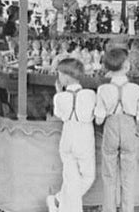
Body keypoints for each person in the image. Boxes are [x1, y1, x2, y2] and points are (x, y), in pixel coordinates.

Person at [94, 48, 139, 212]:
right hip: (128, 127)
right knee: (129, 175)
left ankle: (109, 209)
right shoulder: (136, 89)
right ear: (126, 66)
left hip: (110, 127)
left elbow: (99, 119)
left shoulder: (103, 90)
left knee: (109, 174)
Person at [46, 58, 97, 212]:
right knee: (88, 177)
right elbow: (94, 114)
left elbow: (59, 114)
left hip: (67, 137)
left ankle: (57, 201)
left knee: (71, 178)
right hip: (84, 138)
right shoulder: (90, 94)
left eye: (59, 74)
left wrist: (59, 93)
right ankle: (58, 201)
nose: (58, 77)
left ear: (66, 76)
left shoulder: (59, 97)